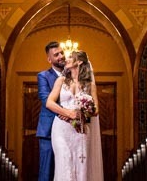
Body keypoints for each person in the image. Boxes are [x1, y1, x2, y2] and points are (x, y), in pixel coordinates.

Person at [46, 50, 103, 181]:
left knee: (81, 165)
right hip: (61, 129)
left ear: (80, 62)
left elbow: (96, 110)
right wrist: (68, 113)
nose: (66, 59)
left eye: (71, 57)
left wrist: (82, 111)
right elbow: (49, 103)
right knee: (64, 161)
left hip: (80, 130)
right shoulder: (61, 80)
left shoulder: (90, 85)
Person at [37, 41, 66, 181]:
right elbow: (45, 99)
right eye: (56, 55)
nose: (61, 56)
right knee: (47, 171)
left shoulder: (72, 75)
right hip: (48, 130)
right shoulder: (43, 76)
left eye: (61, 53)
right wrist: (67, 113)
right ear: (49, 59)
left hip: (69, 130)